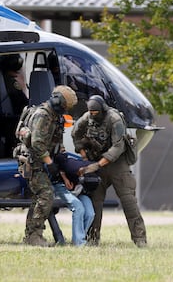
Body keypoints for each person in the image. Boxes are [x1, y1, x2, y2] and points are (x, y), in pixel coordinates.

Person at [71, 95, 147, 247]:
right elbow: (75, 133)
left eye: (95, 112)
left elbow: (118, 147)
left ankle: (140, 239)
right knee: (95, 203)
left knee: (129, 201)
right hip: (97, 163)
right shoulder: (88, 117)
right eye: (90, 112)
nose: (93, 115)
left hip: (117, 165)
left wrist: (98, 165)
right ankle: (92, 239)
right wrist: (82, 152)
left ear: (102, 110)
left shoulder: (114, 119)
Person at [21, 85, 78, 247]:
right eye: (65, 107)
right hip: (32, 161)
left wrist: (62, 164)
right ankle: (34, 235)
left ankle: (32, 235)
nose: (66, 111)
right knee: (46, 195)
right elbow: (37, 143)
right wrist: (50, 163)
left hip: (42, 161)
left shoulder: (56, 117)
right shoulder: (42, 115)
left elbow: (57, 144)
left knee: (39, 198)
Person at [53, 152, 95, 246]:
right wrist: (65, 179)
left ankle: (79, 237)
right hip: (62, 187)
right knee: (78, 208)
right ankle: (79, 243)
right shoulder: (63, 159)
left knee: (90, 213)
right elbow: (58, 167)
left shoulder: (85, 162)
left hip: (78, 189)